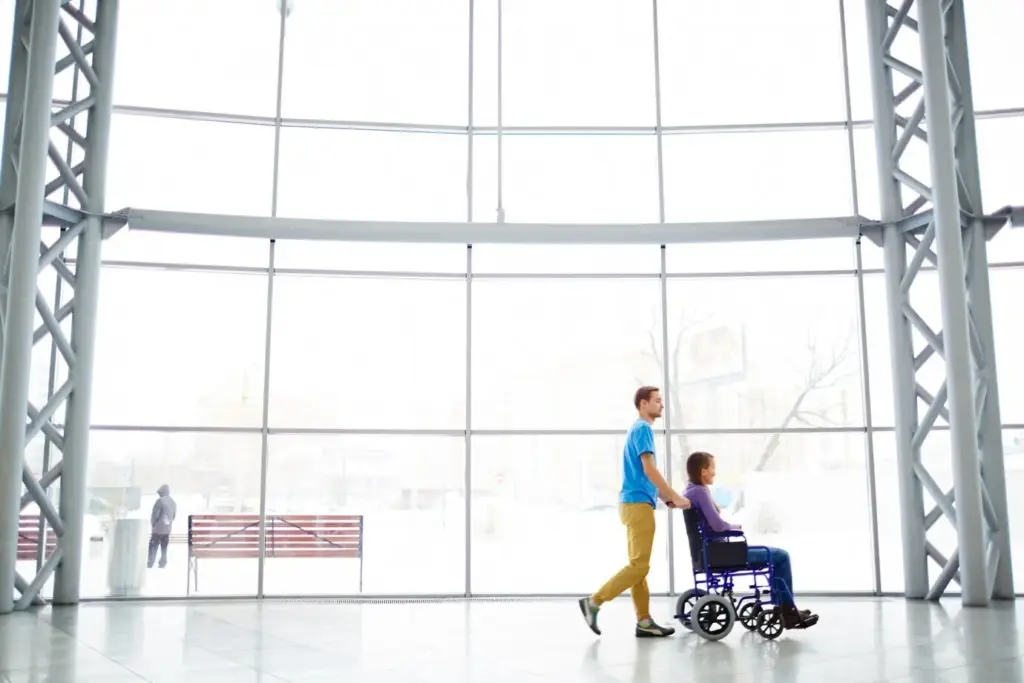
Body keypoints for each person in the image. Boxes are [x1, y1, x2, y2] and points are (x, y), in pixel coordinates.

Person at [578, 386, 692, 638]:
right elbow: (649, 470)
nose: (662, 405)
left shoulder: (637, 429)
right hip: (637, 506)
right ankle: (594, 602)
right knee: (639, 567)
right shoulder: (643, 429)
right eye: (657, 400)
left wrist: (665, 498)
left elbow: (643, 475)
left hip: (633, 504)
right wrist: (675, 496)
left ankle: (644, 622)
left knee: (638, 567)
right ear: (643, 404)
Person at [683, 451, 818, 630]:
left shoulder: (690, 490)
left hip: (712, 553)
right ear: (703, 471)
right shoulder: (700, 492)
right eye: (713, 468)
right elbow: (717, 525)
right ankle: (788, 612)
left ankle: (787, 609)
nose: (715, 472)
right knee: (781, 556)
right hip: (721, 555)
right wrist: (735, 527)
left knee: (775, 555)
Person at [147, 484, 177, 569]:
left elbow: (155, 515)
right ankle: (163, 562)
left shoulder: (159, 501)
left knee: (153, 545)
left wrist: (153, 523)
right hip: (167, 529)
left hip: (158, 529)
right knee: (164, 547)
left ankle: (150, 562)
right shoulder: (173, 502)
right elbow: (173, 516)